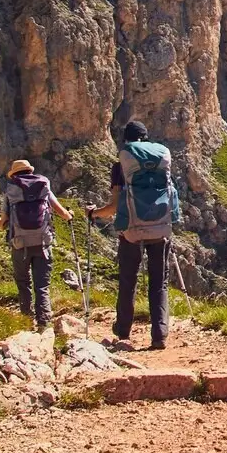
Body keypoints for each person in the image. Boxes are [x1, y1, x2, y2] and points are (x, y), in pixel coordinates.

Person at [87, 121, 181, 350]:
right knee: (159, 283)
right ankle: (159, 334)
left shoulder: (121, 166)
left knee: (128, 281)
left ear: (125, 141)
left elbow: (115, 205)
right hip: (160, 229)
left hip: (131, 231)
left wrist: (94, 213)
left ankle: (123, 331)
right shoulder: (160, 164)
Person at [0, 159, 72, 331]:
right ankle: (44, 324)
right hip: (42, 242)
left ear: (14, 174)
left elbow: (2, 224)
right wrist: (70, 215)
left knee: (23, 282)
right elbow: (62, 213)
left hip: (20, 243)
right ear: (30, 171)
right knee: (42, 286)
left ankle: (26, 321)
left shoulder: (11, 190)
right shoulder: (43, 185)